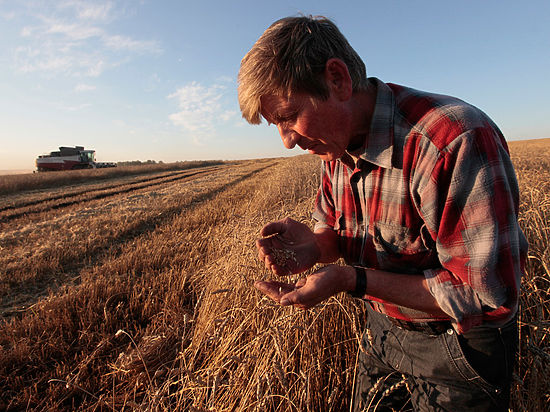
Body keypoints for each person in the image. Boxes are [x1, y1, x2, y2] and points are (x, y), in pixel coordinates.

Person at [238, 15, 528, 411]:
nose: (287, 141)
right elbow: (337, 234)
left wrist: (348, 279)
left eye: (287, 116)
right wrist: (316, 246)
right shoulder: (334, 147)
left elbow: (484, 295)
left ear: (337, 80)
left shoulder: (451, 140)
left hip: (459, 350)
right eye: (276, 125)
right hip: (384, 335)